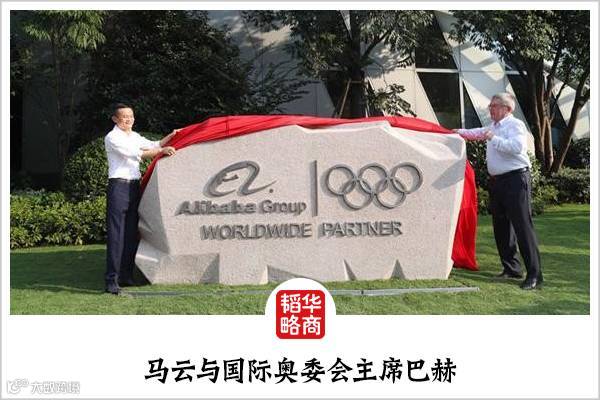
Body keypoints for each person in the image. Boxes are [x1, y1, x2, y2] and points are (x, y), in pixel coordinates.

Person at [453, 92, 543, 290]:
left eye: (494, 106)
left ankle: (535, 275)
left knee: (522, 227)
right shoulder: (493, 126)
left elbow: (517, 148)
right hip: (498, 182)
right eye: (491, 105)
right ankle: (511, 268)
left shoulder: (515, 125)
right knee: (501, 227)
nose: (490, 109)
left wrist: (493, 138)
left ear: (506, 109)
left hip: (516, 180)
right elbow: (475, 132)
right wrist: (454, 132)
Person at [104, 103, 178, 294]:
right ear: (115, 119)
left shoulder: (134, 136)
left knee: (131, 233)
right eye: (124, 117)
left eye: (131, 116)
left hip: (133, 187)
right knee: (116, 235)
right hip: (119, 187)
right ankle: (111, 281)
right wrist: (161, 151)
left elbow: (154, 144)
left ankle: (126, 276)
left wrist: (171, 136)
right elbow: (137, 154)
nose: (128, 119)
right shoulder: (112, 137)